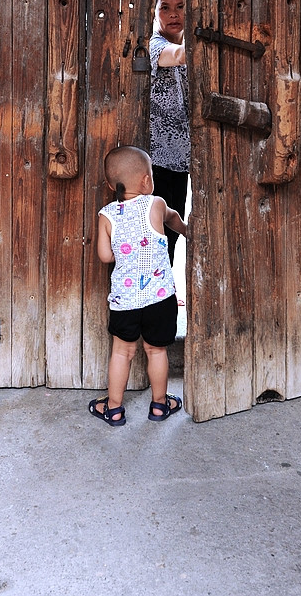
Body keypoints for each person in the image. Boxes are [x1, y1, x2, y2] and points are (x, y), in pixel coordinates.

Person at [88, 145, 187, 427]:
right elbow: (174, 220)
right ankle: (159, 405)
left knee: (122, 352)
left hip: (126, 300)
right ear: (147, 180)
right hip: (160, 298)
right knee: (156, 351)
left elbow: (105, 256)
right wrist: (187, 231)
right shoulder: (156, 204)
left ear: (110, 184)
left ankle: (114, 408)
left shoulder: (106, 215)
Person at [149, 0, 189, 266]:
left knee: (171, 239)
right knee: (156, 235)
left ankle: (165, 298)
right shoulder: (155, 45)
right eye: (166, 8)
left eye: (180, 7)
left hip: (182, 161)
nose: (173, 14)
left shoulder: (189, 52)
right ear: (155, 12)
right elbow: (173, 56)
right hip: (158, 161)